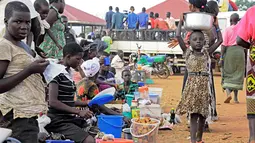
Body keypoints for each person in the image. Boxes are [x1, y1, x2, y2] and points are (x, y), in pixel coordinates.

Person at [0, 2, 49, 142]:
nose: (24, 26)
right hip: (15, 115)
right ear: (6, 22)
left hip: (28, 115)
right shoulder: (4, 46)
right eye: (18, 21)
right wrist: (30, 70)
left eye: (27, 22)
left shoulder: (22, 45)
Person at [175, 12, 223, 143]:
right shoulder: (187, 53)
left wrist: (217, 26)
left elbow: (220, 40)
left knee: (203, 115)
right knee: (194, 114)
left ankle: (199, 139)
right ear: (189, 42)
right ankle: (193, 141)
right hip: (192, 87)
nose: (198, 42)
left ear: (204, 42)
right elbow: (178, 35)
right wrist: (181, 22)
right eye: (195, 39)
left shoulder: (207, 52)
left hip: (203, 87)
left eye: (201, 40)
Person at [46, 42, 95, 143]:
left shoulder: (67, 73)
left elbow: (65, 100)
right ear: (68, 57)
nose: (80, 62)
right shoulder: (56, 73)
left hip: (67, 118)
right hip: (57, 120)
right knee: (89, 140)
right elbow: (53, 101)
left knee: (94, 130)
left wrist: (86, 103)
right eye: (78, 59)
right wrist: (78, 111)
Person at [236, 6, 255, 143]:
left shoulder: (252, 11)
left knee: (253, 95)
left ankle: (253, 137)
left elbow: (239, 40)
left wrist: (252, 47)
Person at [221, 13, 244, 104]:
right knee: (238, 74)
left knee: (228, 73)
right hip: (240, 52)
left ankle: (228, 93)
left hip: (230, 52)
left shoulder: (227, 29)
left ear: (230, 21)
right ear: (238, 20)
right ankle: (235, 98)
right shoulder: (242, 29)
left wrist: (222, 57)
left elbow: (223, 45)